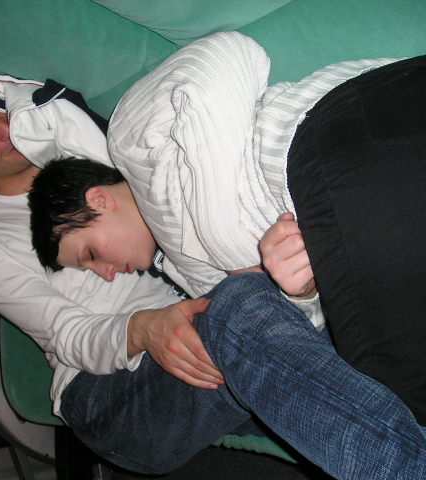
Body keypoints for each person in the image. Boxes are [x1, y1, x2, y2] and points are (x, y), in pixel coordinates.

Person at [0, 67, 426, 479]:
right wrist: (144, 328)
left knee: (333, 333)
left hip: (218, 314)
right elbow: (64, 334)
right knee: (238, 313)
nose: (5, 131)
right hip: (108, 392)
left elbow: (160, 194)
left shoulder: (68, 145)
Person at [30, 31, 426, 425]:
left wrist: (223, 239)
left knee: (385, 377)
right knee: (400, 390)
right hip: (350, 240)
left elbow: (232, 53)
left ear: (98, 200)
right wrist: (301, 291)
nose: (107, 274)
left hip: (330, 137)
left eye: (90, 255)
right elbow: (308, 328)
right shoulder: (193, 279)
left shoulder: (129, 144)